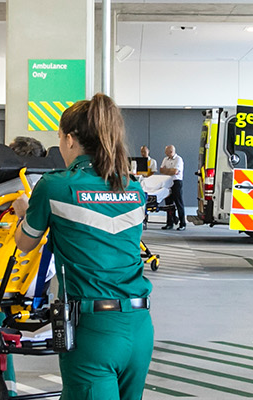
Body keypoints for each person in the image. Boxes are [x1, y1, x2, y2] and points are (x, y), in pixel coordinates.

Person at [12, 93, 153, 400]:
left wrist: (23, 212)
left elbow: (24, 243)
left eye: (60, 138)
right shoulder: (134, 188)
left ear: (71, 140)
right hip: (140, 327)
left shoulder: (55, 186)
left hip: (93, 332)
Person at [157, 145, 186, 230]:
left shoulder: (178, 159)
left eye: (166, 151)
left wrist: (168, 171)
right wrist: (170, 171)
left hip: (176, 183)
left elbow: (175, 171)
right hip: (167, 183)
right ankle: (170, 223)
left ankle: (182, 223)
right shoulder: (165, 159)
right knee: (168, 204)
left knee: (178, 203)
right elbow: (161, 170)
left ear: (170, 151)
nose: (165, 153)